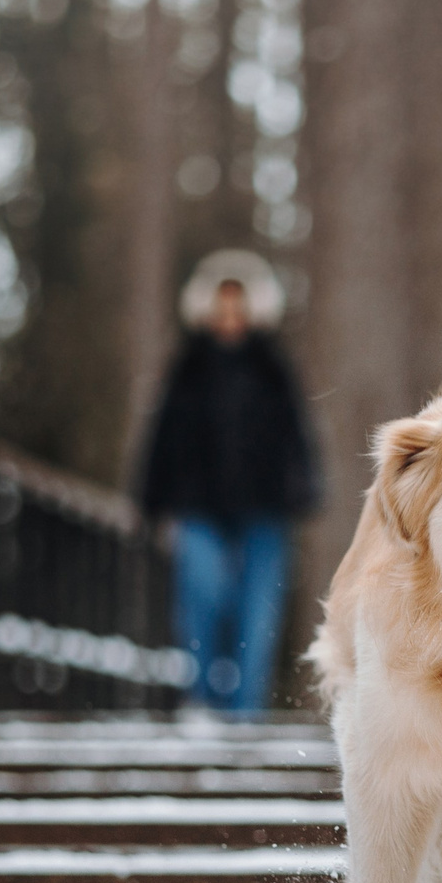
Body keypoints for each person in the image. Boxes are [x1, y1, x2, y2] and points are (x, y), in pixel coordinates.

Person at [137, 249, 319, 714]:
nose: (230, 317)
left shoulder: (273, 367)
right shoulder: (188, 367)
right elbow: (163, 433)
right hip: (198, 503)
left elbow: (296, 433)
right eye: (222, 306)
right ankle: (202, 699)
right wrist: (151, 497)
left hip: (266, 505)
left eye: (238, 307)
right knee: (202, 591)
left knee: (258, 610)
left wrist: (302, 487)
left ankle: (245, 711)